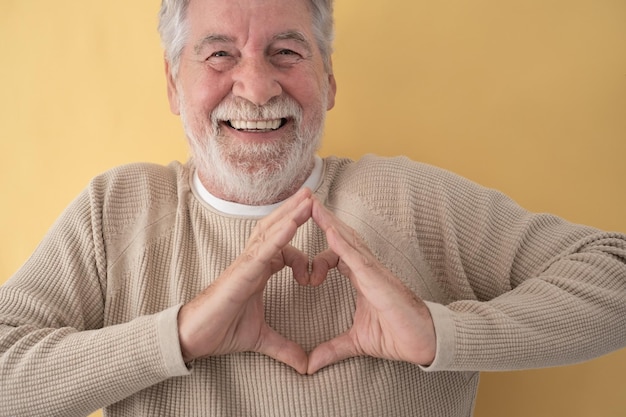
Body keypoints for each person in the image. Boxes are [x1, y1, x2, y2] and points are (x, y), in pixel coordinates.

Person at [1, 0, 625, 415]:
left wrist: (443, 333)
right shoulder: (116, 212)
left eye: (287, 53)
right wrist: (182, 335)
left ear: (327, 79)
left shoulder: (406, 196)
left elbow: (614, 271)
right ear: (173, 83)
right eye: (219, 54)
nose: (256, 86)